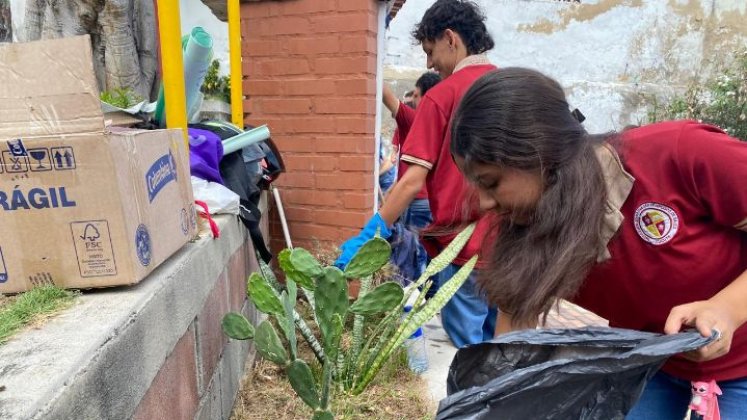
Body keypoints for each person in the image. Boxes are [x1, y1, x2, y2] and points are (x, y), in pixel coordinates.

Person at [449, 67, 747, 418]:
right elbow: (514, 345)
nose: (484, 203)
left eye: (492, 183)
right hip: (654, 365)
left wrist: (726, 309)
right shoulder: (526, 228)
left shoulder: (680, 154)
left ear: (539, 155)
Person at [336, 0, 498, 348]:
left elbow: (411, 180)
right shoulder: (509, 87)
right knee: (500, 347)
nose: (429, 63)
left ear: (450, 39)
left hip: (464, 249)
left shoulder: (442, 96)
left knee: (468, 355)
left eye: (430, 51)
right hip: (511, 251)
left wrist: (371, 233)